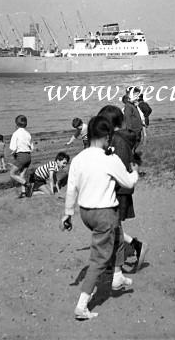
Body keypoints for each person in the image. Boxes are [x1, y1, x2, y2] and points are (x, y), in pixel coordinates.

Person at [61, 115, 139, 321]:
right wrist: (136, 173)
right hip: (105, 212)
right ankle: (82, 305)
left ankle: (117, 276)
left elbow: (71, 189)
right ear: (106, 136)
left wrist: (67, 214)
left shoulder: (79, 159)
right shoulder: (109, 159)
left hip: (86, 212)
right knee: (99, 259)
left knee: (118, 237)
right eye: (110, 138)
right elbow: (129, 183)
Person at [98, 104, 149, 272]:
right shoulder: (120, 138)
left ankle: (118, 262)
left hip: (118, 190)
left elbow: (116, 167)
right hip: (119, 189)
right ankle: (132, 248)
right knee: (112, 226)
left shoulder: (118, 141)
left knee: (111, 227)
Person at [8, 115, 32, 198]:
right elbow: (31, 147)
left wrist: (12, 153)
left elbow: (12, 147)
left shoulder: (16, 134)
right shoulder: (28, 134)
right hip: (28, 156)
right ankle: (24, 192)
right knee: (22, 174)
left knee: (12, 173)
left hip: (21, 156)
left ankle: (27, 184)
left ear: (16, 124)